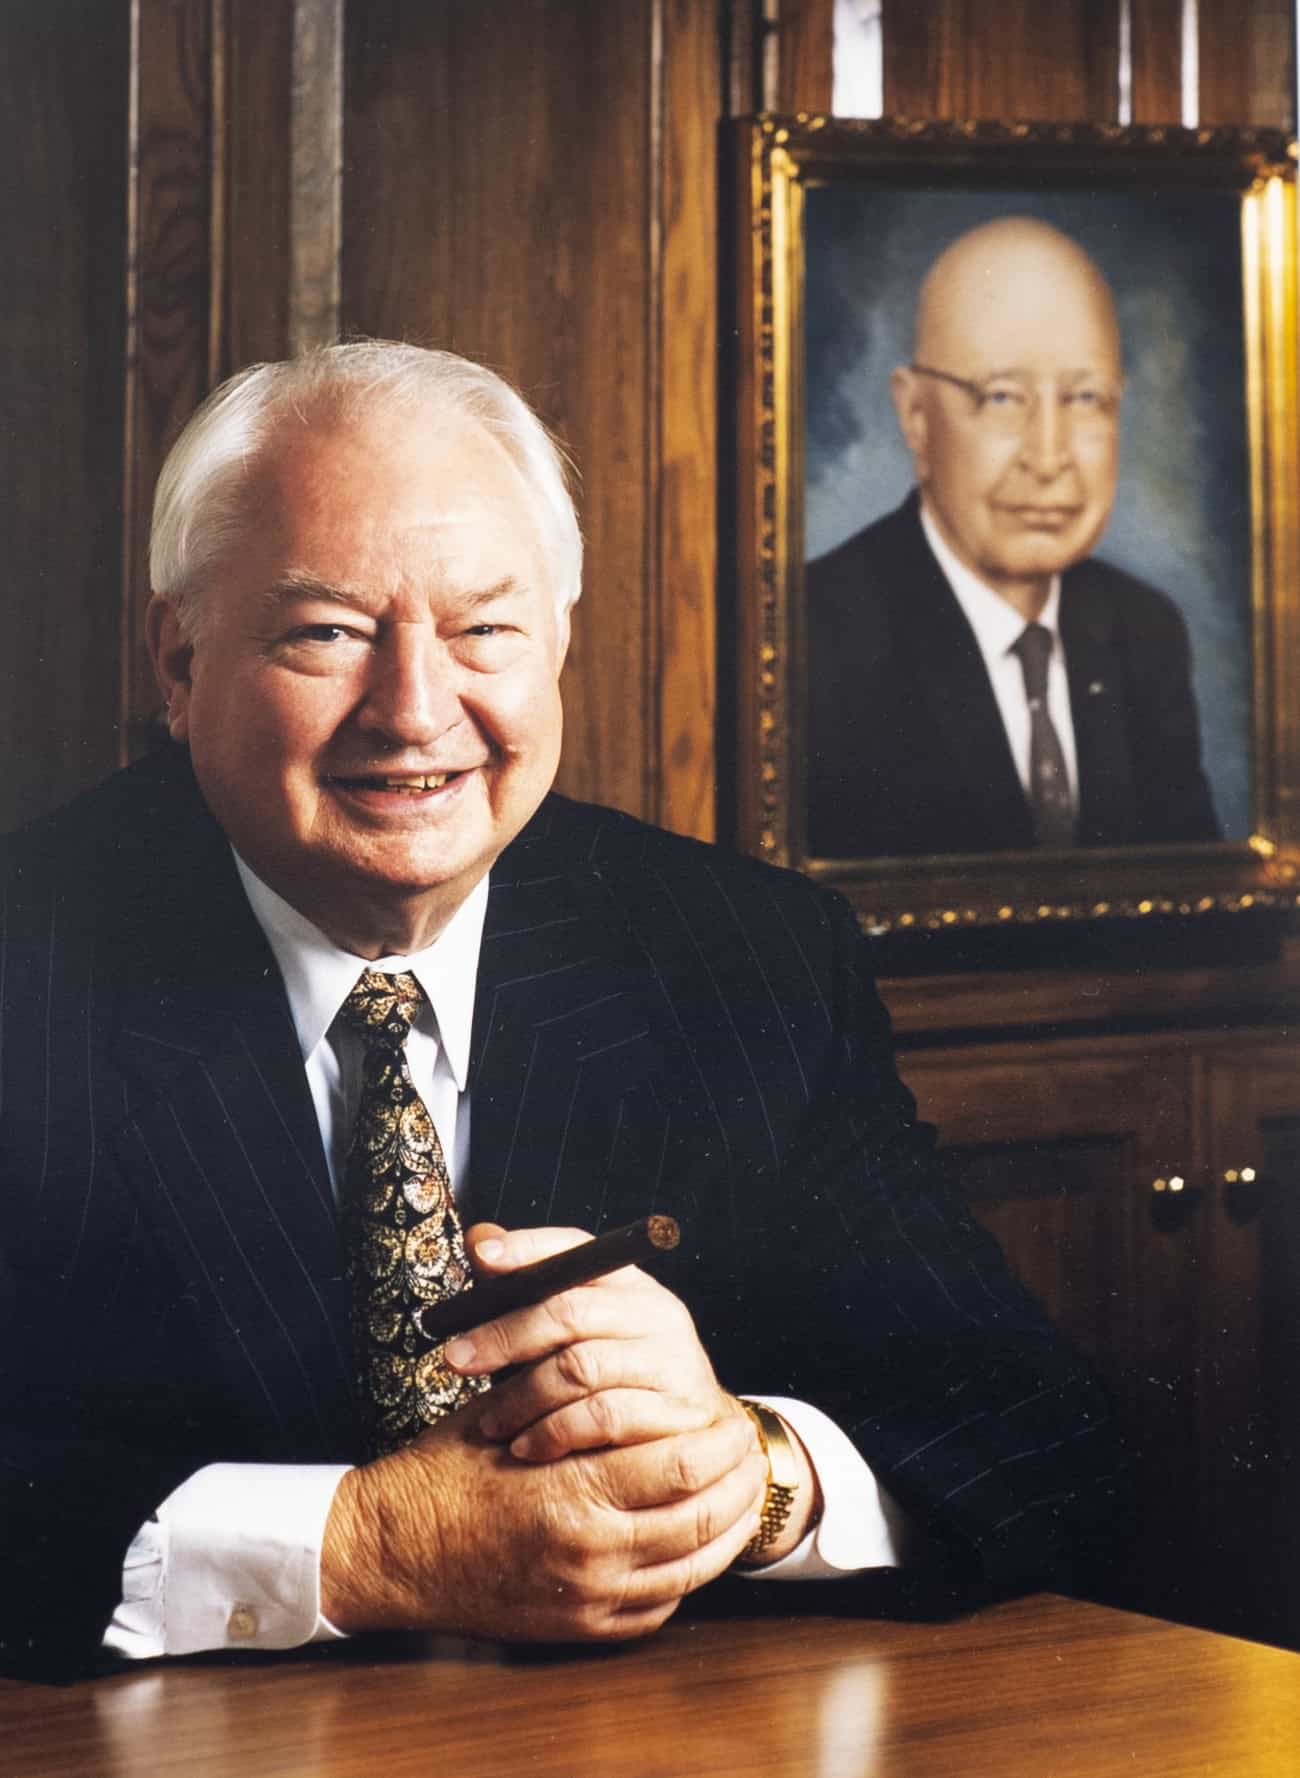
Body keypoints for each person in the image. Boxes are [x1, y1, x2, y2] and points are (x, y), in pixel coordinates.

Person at [0, 343, 1128, 1682]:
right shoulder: (36, 957)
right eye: (326, 633)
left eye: (485, 628)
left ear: (562, 640)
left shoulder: (745, 955)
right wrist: (360, 1544)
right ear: (179, 660)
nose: (416, 710)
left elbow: (1041, 1428)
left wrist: (747, 1477)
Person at [806, 216, 1221, 860]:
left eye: (1085, 398)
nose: (1048, 456)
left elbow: (1199, 920)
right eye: (1002, 398)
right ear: (916, 416)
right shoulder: (816, 637)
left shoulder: (1146, 631)